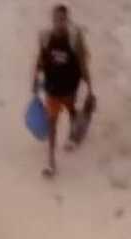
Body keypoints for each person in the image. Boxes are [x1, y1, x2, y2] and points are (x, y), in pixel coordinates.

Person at [33, 3, 93, 178]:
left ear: (66, 21)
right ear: (52, 20)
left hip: (70, 90)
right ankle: (51, 161)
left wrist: (90, 88)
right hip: (52, 90)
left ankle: (73, 137)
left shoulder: (74, 41)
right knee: (52, 123)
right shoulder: (45, 38)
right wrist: (35, 80)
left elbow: (83, 65)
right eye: (56, 19)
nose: (59, 23)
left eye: (62, 19)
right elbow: (40, 60)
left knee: (73, 112)